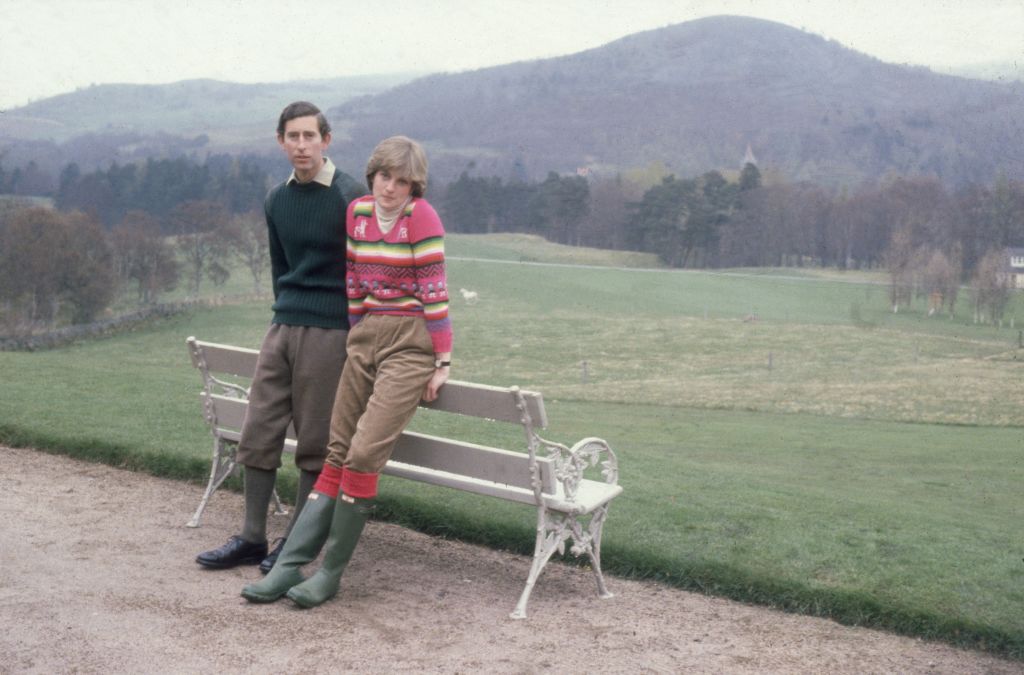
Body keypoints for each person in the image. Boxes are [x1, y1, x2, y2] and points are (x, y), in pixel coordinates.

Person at [242, 135, 452, 608]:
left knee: (361, 454)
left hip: (410, 342)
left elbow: (434, 291)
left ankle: (330, 572)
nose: (391, 189)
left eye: (403, 181)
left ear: (414, 186)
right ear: (373, 174)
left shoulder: (421, 217)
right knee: (335, 452)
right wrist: (358, 333)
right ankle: (290, 565)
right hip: (365, 335)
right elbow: (354, 279)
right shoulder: (357, 212)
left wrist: (441, 361)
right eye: (384, 177)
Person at [196, 101, 363, 574]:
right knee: (260, 427)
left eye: (310, 136)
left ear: (326, 140)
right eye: (293, 136)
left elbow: (364, 270)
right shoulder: (276, 200)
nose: (302, 145)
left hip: (332, 332)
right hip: (283, 325)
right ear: (281, 141)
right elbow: (280, 268)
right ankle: (252, 537)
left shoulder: (350, 196)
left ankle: (295, 542)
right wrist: (285, 316)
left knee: (314, 439)